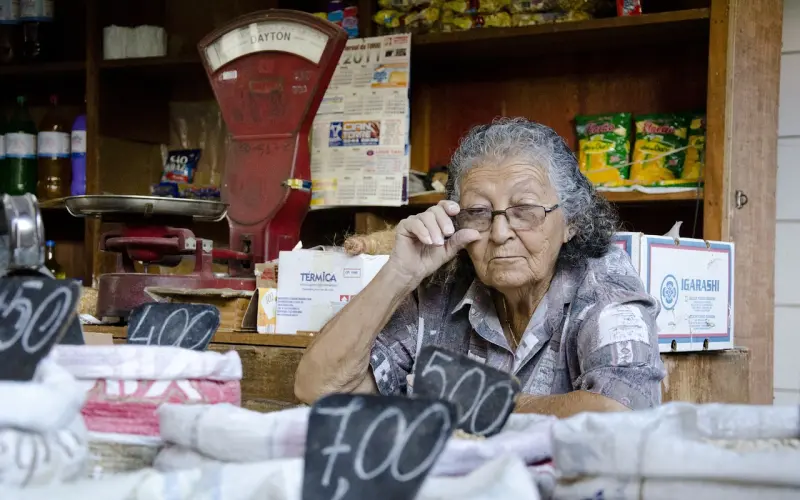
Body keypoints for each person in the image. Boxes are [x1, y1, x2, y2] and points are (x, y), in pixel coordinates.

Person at [294, 118, 666, 418]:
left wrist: (472, 405)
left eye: (525, 211)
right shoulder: (442, 288)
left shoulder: (604, 283)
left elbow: (622, 413)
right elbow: (318, 388)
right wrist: (399, 275)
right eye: (479, 213)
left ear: (571, 222)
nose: (501, 232)